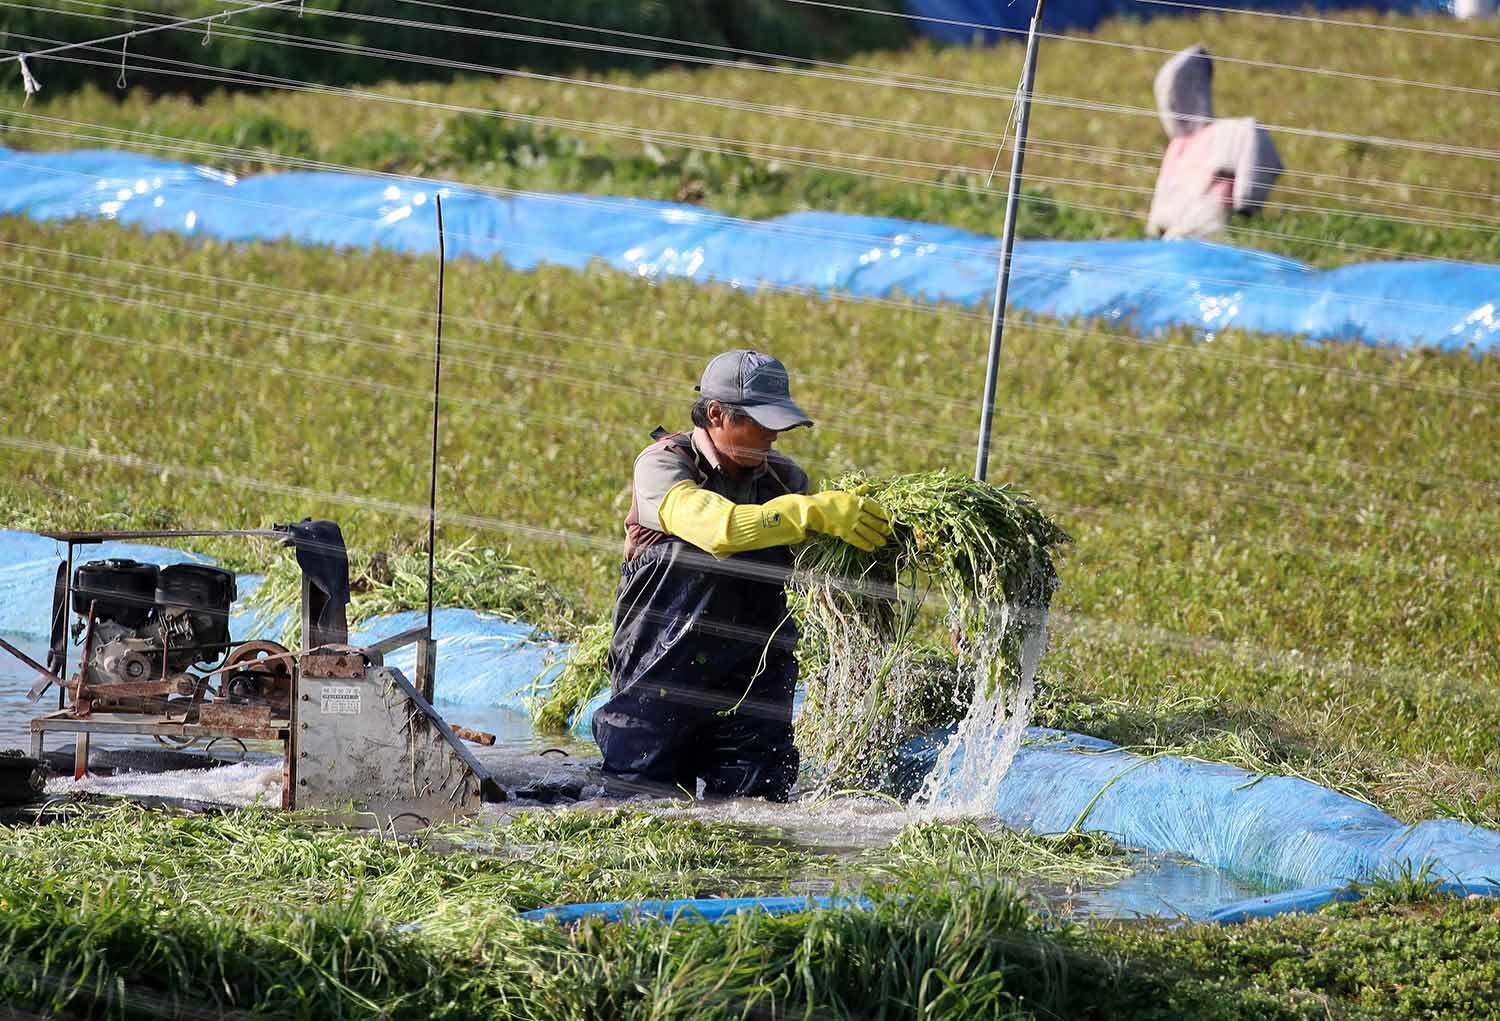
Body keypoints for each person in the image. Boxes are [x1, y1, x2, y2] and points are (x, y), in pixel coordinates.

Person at [592, 349, 892, 801]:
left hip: (750, 678)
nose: (772, 434)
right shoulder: (664, 465)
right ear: (716, 414)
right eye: (760, 422)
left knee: (755, 809)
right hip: (659, 672)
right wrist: (807, 512)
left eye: (777, 423)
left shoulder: (785, 480)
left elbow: (816, 565)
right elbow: (718, 530)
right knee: (642, 804)